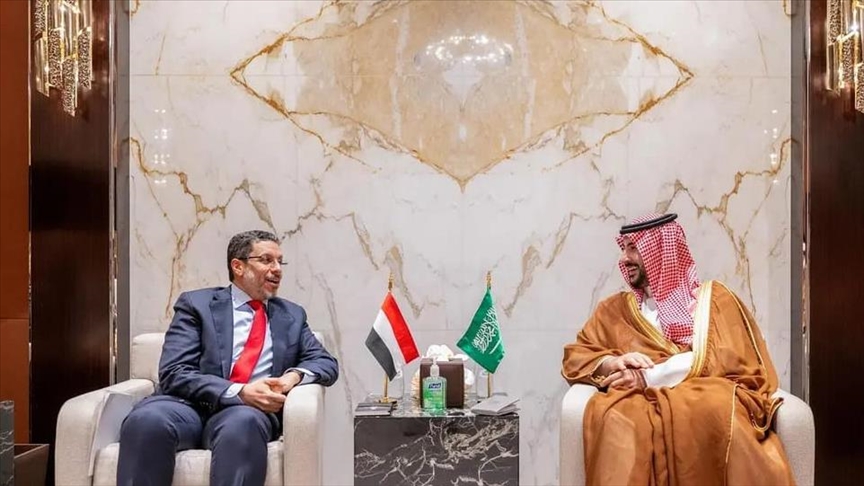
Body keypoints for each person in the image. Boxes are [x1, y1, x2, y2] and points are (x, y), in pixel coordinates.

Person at [561, 213, 793, 485]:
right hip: (636, 403)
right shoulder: (614, 310)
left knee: (718, 408)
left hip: (703, 394)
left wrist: (648, 376)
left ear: (661, 249)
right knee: (617, 420)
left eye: (633, 248)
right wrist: (612, 362)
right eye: (624, 248)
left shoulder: (713, 301)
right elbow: (576, 356)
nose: (624, 258)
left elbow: (730, 359)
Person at [118, 230, 339, 486]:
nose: (277, 269)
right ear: (238, 266)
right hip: (185, 406)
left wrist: (293, 376)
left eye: (280, 262)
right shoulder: (196, 305)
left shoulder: (291, 315)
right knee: (146, 421)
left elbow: (325, 363)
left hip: (245, 413)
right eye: (266, 260)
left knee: (243, 424)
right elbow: (174, 371)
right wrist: (240, 391)